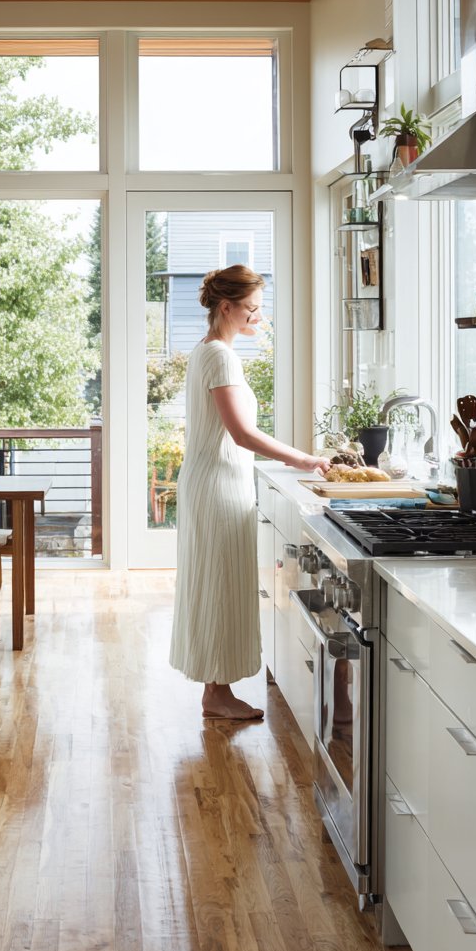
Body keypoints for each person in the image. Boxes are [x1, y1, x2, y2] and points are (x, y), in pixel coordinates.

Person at [168, 265, 330, 721]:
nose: (258, 317)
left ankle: (215, 689)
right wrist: (305, 459)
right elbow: (241, 433)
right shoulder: (220, 356)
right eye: (252, 308)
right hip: (218, 484)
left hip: (213, 480)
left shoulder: (207, 351)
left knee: (215, 582)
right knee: (221, 584)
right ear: (227, 307)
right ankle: (217, 694)